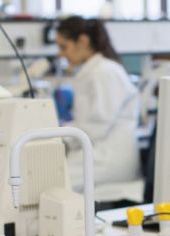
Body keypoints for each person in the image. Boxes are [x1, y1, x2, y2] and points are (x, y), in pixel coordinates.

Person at [56, 16, 141, 192]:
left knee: (51, 183)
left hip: (109, 158)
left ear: (83, 41)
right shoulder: (93, 70)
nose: (61, 54)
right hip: (97, 151)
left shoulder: (104, 72)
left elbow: (97, 126)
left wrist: (60, 136)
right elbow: (89, 123)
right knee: (49, 176)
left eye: (64, 46)